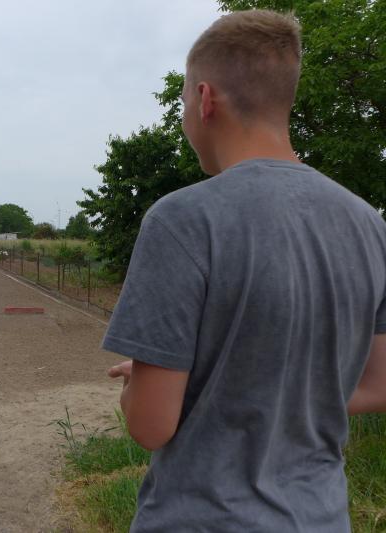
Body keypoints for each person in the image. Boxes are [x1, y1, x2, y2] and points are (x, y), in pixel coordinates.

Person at [101, 10, 386, 532]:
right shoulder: (370, 225)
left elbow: (150, 425)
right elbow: (379, 384)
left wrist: (138, 386)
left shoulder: (181, 220)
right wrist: (274, 395)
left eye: (183, 102)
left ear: (205, 100)